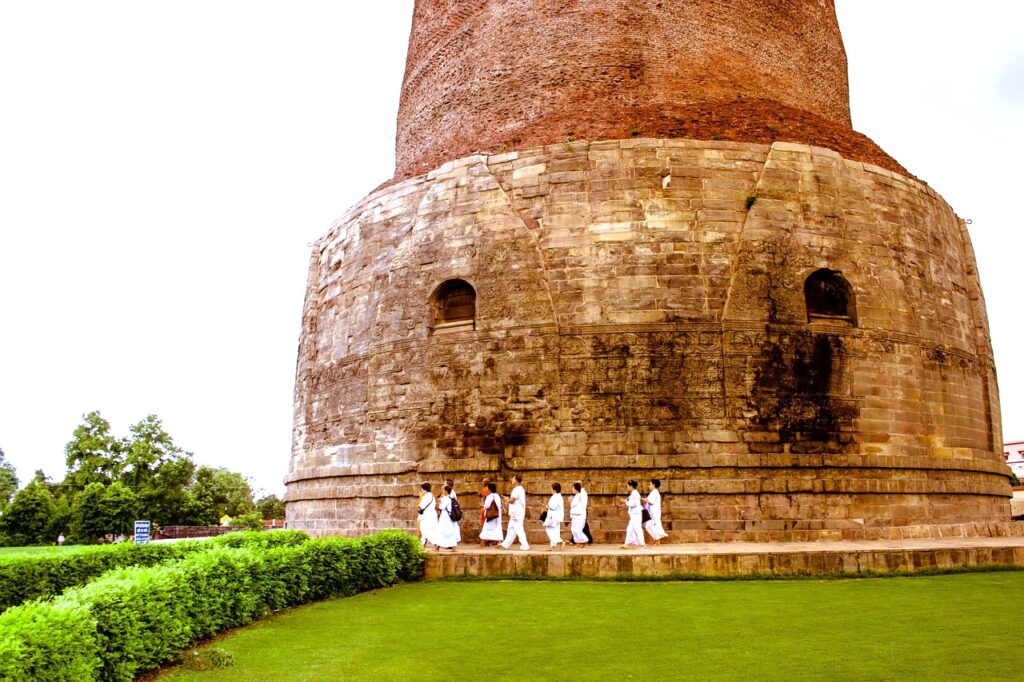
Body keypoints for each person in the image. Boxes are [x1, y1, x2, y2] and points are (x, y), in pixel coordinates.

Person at [501, 475, 530, 550]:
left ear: (516, 480)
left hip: (516, 513)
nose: (512, 480)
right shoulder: (520, 489)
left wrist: (506, 499)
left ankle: (525, 545)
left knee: (519, 529)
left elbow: (512, 500)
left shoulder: (517, 489)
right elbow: (514, 500)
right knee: (511, 529)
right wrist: (508, 498)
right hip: (516, 513)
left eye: (513, 479)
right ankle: (505, 544)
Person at [431, 484, 460, 551]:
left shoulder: (447, 499)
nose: (442, 491)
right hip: (446, 517)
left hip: (445, 517)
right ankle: (440, 547)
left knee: (442, 531)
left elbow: (442, 507)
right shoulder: (448, 498)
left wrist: (439, 503)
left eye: (443, 489)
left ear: (446, 491)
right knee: (447, 531)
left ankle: (439, 547)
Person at [643, 479, 669, 545]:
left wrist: (641, 499)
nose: (649, 486)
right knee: (652, 526)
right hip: (653, 512)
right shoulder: (654, 492)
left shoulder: (654, 492)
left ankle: (657, 541)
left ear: (653, 485)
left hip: (654, 513)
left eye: (650, 484)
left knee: (650, 525)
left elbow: (650, 501)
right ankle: (656, 540)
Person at [621, 480, 645, 548]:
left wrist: (625, 502)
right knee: (629, 529)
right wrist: (626, 501)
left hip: (636, 514)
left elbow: (633, 504)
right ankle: (626, 544)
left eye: (628, 486)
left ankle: (643, 544)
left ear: (631, 486)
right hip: (634, 514)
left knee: (638, 528)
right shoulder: (634, 493)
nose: (627, 487)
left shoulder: (634, 494)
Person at [543, 482, 566, 550]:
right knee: (555, 530)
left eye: (551, 488)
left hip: (554, 516)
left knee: (548, 528)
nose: (550, 489)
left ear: (554, 489)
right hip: (557, 516)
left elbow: (553, 507)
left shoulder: (556, 497)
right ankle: (553, 546)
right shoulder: (558, 496)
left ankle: (560, 541)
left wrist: (547, 506)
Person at [417, 482, 438, 548]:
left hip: (426, 516)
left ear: (424, 489)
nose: (421, 490)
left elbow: (421, 506)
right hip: (432, 515)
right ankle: (433, 544)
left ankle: (427, 544)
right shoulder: (432, 496)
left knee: (424, 529)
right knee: (432, 530)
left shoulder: (426, 496)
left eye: (422, 489)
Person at [569, 481, 589, 546]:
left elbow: (581, 505)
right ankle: (578, 541)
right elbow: (573, 505)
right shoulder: (576, 495)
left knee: (578, 529)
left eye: (573, 488)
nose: (572, 489)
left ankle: (584, 540)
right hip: (574, 515)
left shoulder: (582, 494)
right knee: (573, 529)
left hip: (579, 514)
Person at [445, 477, 461, 544]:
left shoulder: (451, 493)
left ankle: (452, 541)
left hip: (451, 512)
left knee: (451, 527)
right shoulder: (452, 492)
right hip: (450, 511)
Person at [478, 477, 492, 546]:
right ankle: (487, 541)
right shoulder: (491, 490)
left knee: (483, 525)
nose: (482, 483)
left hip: (484, 508)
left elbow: (483, 498)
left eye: (483, 482)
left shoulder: (485, 490)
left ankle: (484, 541)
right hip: (489, 509)